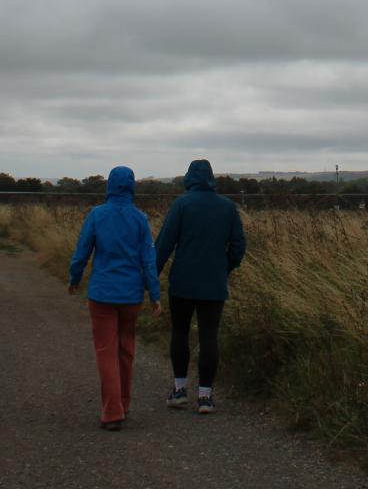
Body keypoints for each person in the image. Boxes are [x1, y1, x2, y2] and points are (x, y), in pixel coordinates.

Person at [67, 165, 162, 430]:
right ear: (132, 186)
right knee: (126, 349)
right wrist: (155, 295)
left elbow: (82, 252)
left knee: (105, 350)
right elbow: (149, 261)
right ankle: (124, 403)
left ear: (109, 185)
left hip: (102, 294)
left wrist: (74, 279)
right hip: (131, 295)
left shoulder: (97, 215)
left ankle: (112, 412)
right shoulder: (140, 219)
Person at [153, 158, 246, 414]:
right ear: (211, 178)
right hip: (214, 284)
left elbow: (164, 245)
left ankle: (179, 390)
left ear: (189, 178)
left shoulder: (181, 205)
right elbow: (239, 246)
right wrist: (224, 268)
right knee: (209, 337)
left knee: (180, 333)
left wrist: (150, 278)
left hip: (182, 282)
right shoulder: (228, 207)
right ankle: (205, 396)